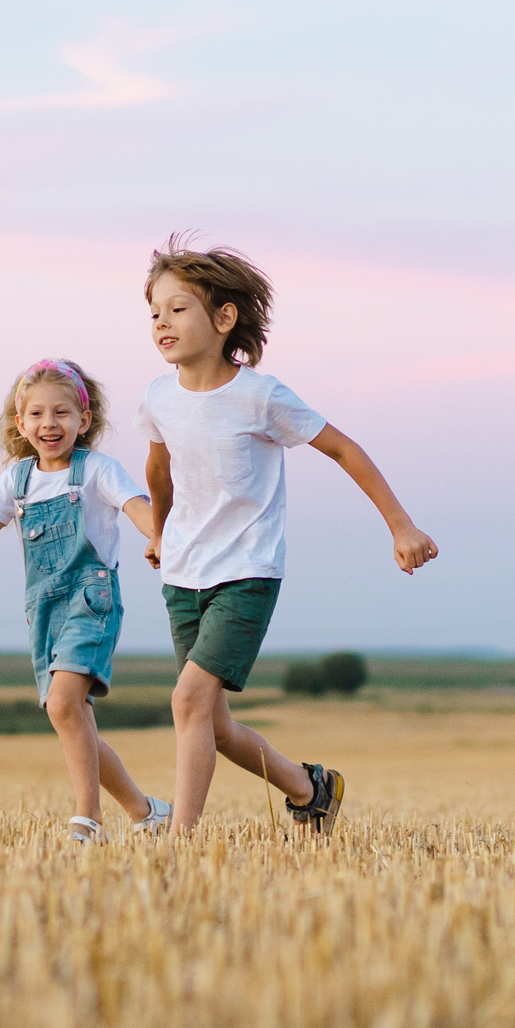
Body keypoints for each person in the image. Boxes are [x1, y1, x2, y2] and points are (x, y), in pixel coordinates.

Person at [136, 235, 440, 835]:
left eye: (178, 308)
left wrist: (401, 525)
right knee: (213, 725)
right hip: (183, 575)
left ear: (224, 318)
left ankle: (181, 841)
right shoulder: (158, 398)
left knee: (188, 701)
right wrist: (161, 533)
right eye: (154, 313)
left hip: (246, 574)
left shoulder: (260, 396)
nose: (161, 322)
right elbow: (158, 470)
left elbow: (343, 448)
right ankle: (310, 789)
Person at [0, 359, 172, 844]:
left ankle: (88, 819)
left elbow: (137, 507)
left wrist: (157, 535)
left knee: (62, 706)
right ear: (20, 423)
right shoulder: (16, 480)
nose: (49, 424)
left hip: (91, 602)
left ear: (84, 419)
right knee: (74, 721)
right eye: (36, 414)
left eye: (61, 413)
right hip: (44, 611)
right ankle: (146, 812)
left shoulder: (97, 470)